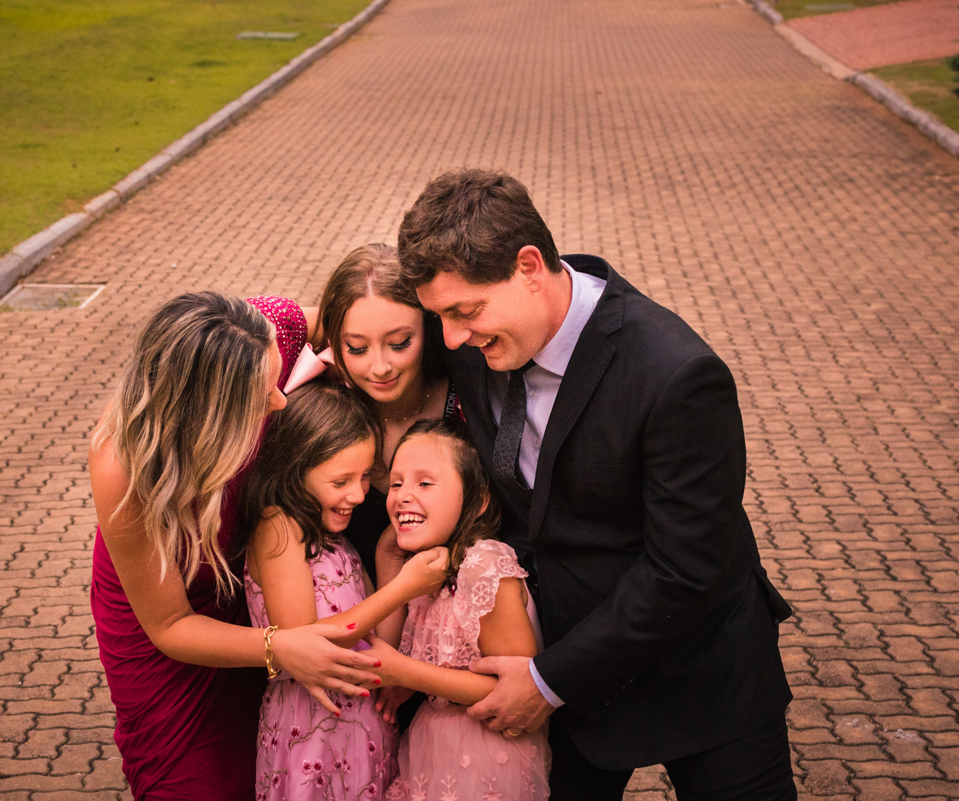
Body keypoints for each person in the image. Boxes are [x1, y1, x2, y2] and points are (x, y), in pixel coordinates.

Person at [395, 170, 796, 801]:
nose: (449, 339)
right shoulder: (475, 330)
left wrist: (548, 682)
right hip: (566, 687)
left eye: (465, 312)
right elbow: (358, 317)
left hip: (697, 673)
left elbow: (683, 569)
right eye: (439, 315)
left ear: (530, 266)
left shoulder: (677, 375)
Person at [89, 293, 381, 801]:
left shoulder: (262, 332)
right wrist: (278, 646)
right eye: (264, 395)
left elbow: (357, 318)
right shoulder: (124, 466)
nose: (281, 401)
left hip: (251, 581)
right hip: (170, 617)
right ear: (207, 412)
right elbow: (168, 624)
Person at [240, 378, 453, 800]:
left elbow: (378, 642)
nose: (357, 495)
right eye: (340, 482)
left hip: (364, 733)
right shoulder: (279, 526)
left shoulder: (335, 538)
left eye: (365, 476)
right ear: (294, 468)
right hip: (311, 736)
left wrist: (389, 557)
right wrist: (403, 588)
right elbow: (310, 644)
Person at [364, 419, 551, 801]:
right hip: (433, 748)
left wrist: (403, 671)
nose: (403, 495)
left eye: (424, 483)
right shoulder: (427, 570)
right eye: (396, 483)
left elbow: (514, 691)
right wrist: (388, 556)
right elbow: (403, 652)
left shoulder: (483, 566)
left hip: (487, 756)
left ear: (477, 500)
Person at [317, 243, 461, 579]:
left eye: (399, 343)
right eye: (357, 348)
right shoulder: (323, 412)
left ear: (429, 328)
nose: (380, 367)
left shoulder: (469, 402)